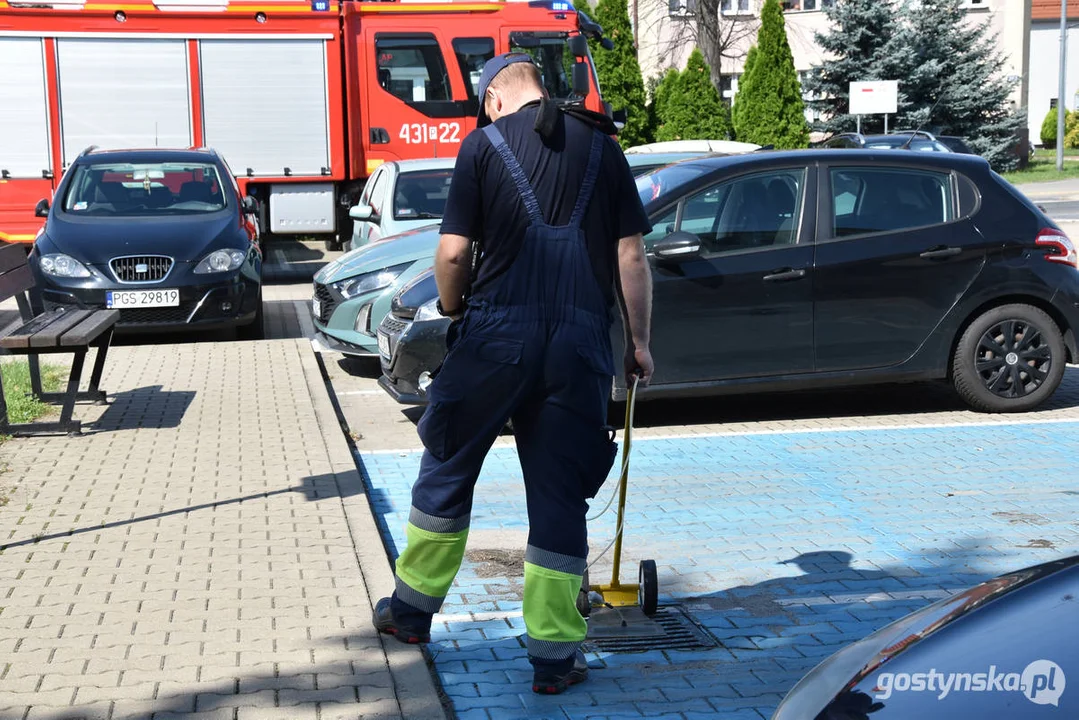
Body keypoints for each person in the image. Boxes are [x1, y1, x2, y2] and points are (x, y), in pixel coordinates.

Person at [372, 51, 654, 695]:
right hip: (579, 347)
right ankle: (554, 657)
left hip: (494, 338)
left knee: (447, 463)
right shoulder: (605, 149)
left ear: (494, 98)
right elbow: (631, 254)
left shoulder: (482, 146)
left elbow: (451, 253)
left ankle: (411, 613)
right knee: (558, 496)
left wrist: (452, 307)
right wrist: (638, 343)